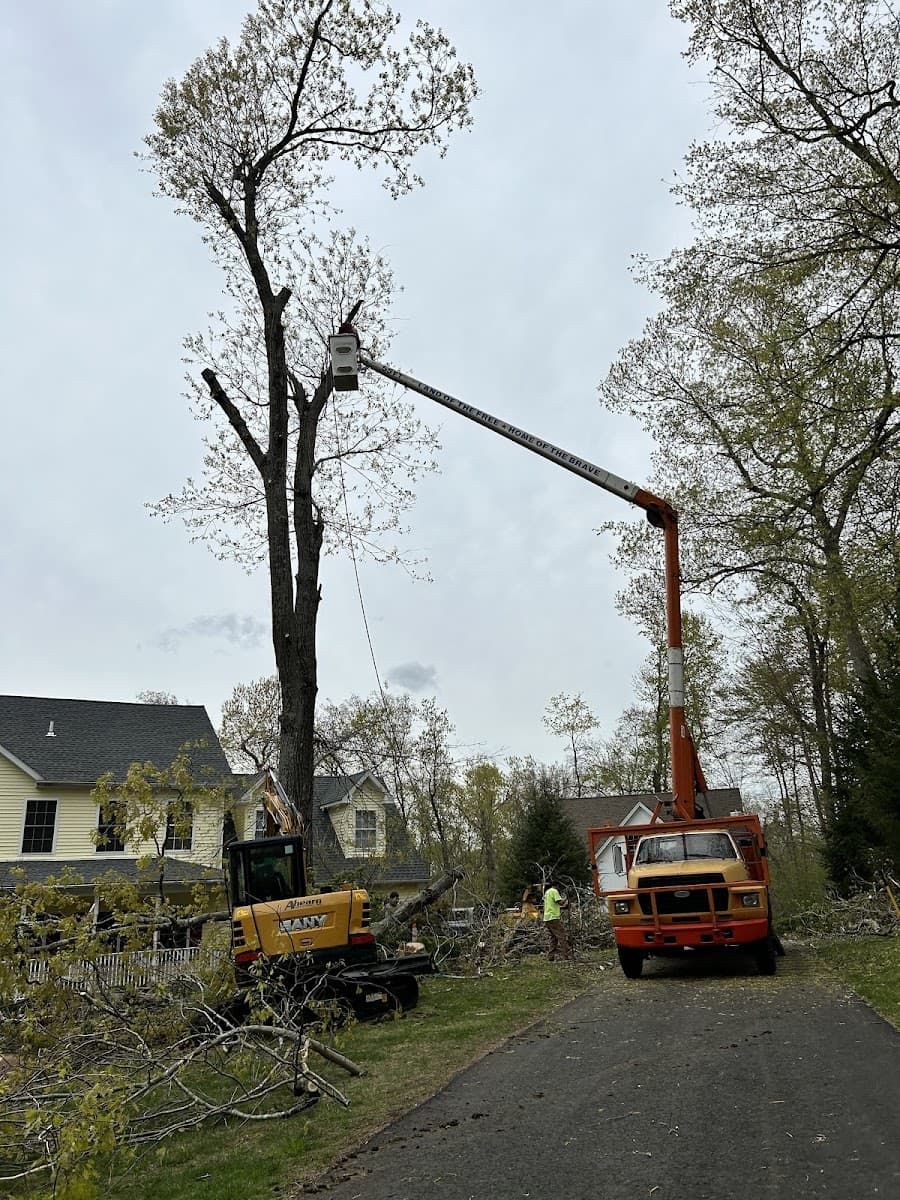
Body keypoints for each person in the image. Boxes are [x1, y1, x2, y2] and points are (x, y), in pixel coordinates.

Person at [542, 878, 572, 961]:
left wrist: (564, 907)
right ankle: (566, 956)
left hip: (547, 918)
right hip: (553, 918)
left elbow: (552, 905)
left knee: (554, 937)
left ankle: (551, 957)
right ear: (557, 886)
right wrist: (566, 898)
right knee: (562, 935)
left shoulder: (547, 892)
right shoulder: (554, 891)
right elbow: (560, 902)